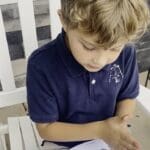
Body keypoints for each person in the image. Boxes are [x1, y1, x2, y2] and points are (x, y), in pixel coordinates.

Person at [27, 0, 149, 149]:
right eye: (89, 47)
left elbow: (127, 96)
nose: (100, 61)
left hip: (108, 137)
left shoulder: (126, 52)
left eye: (114, 49)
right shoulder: (41, 65)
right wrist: (101, 130)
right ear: (64, 20)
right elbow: (46, 128)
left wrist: (118, 125)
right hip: (63, 143)